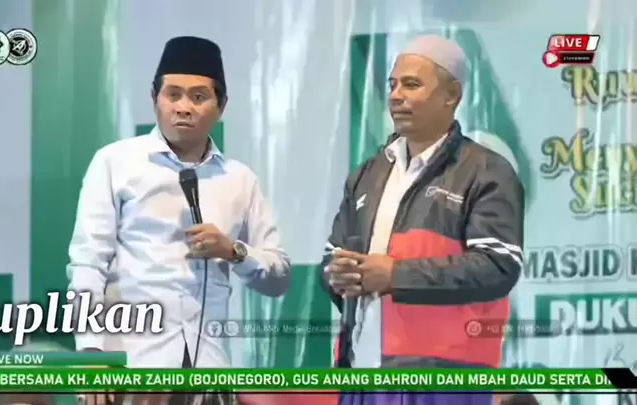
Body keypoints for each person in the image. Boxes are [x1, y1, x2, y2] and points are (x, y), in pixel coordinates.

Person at [67, 36, 291, 405]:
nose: (183, 108)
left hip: (210, 374)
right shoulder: (115, 163)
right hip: (133, 369)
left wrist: (233, 251)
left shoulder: (240, 180)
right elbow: (88, 264)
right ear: (154, 97)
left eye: (199, 97)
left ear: (221, 106)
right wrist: (90, 354)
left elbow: (279, 277)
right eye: (173, 95)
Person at [322, 35, 524, 405]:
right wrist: (337, 275)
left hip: (444, 381)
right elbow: (332, 257)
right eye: (392, 84)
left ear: (452, 95)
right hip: (360, 378)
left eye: (411, 84)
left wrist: (395, 276)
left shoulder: (486, 171)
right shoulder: (367, 174)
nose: (395, 96)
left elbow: (499, 266)